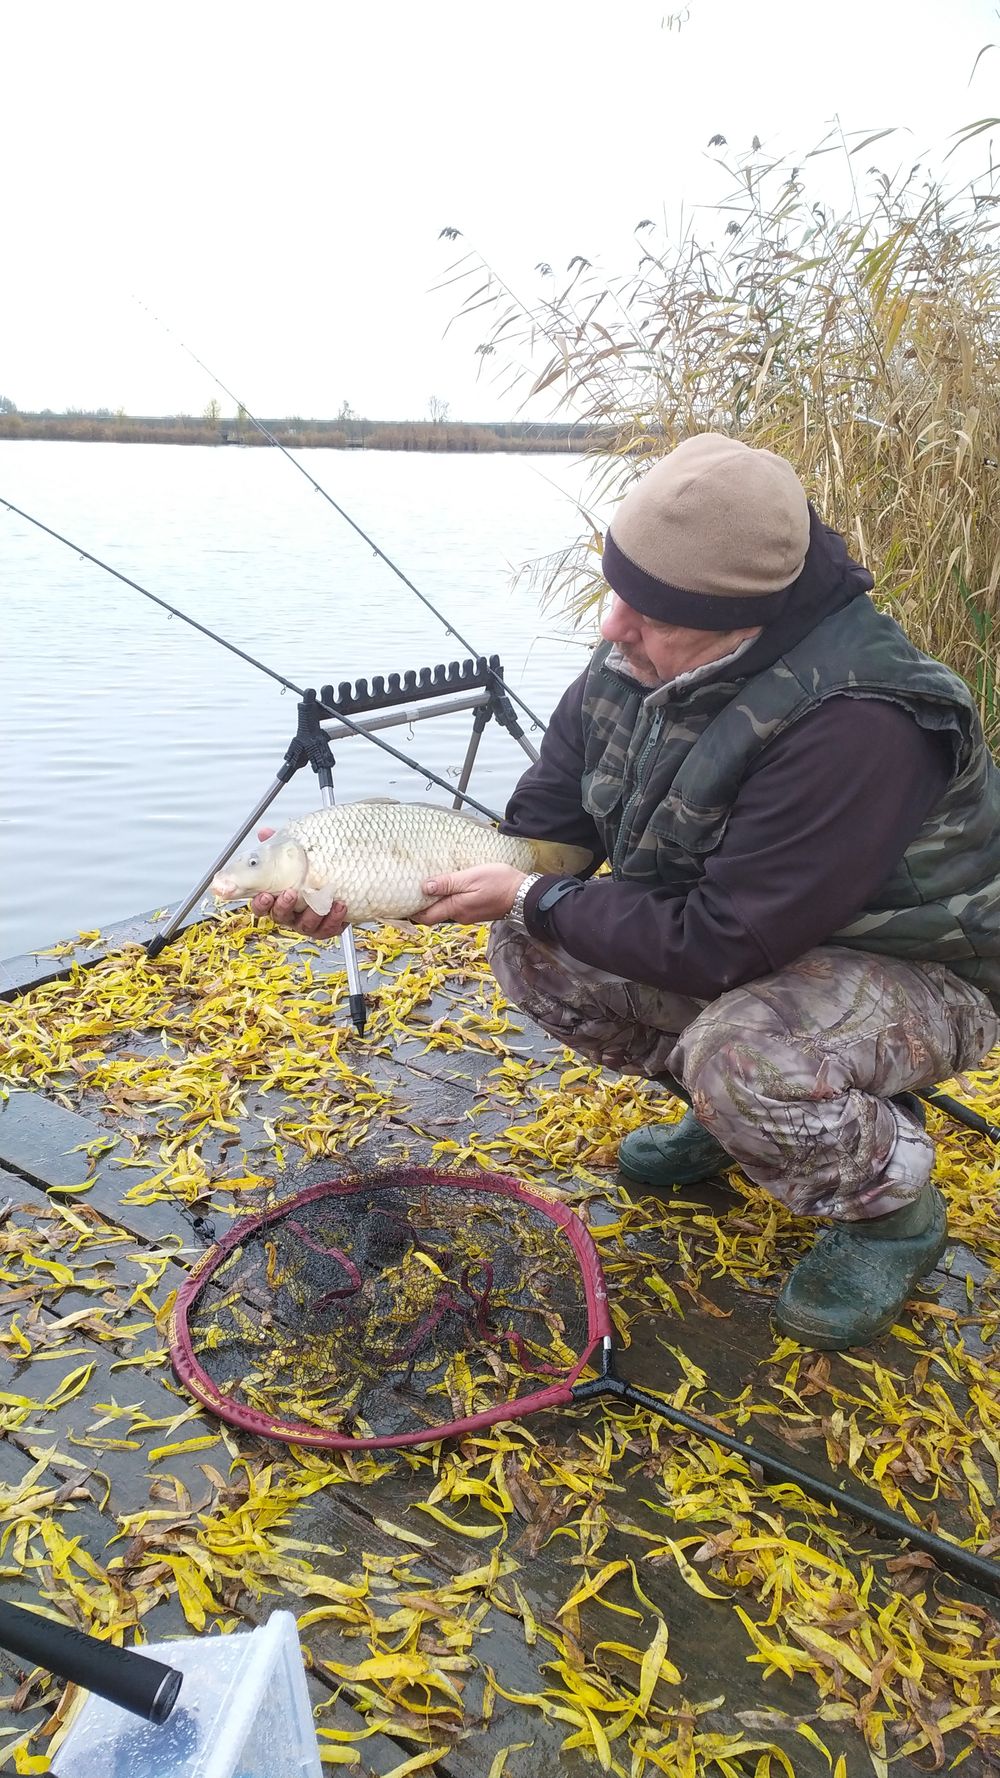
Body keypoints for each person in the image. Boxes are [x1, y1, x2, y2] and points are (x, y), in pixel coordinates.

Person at [252, 434, 1000, 1351]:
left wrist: (531, 892)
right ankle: (747, 1124)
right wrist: (369, 889)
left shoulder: (863, 720)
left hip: (929, 969)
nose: (613, 627)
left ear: (742, 622)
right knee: (530, 944)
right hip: (767, 936)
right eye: (618, 593)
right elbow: (544, 843)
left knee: (743, 1058)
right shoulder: (640, 661)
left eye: (650, 613)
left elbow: (719, 942)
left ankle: (891, 1213)